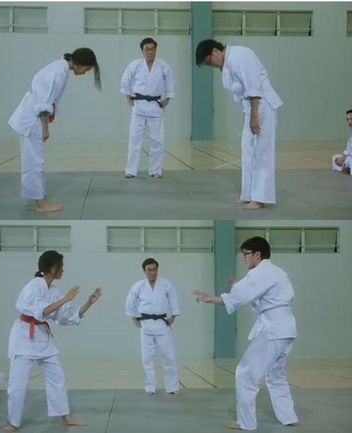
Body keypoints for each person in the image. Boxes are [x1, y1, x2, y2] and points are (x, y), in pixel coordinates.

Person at [193, 236, 299, 431]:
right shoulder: (277, 271)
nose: (243, 258)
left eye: (246, 254)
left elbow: (240, 296)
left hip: (273, 328)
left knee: (245, 373)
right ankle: (288, 417)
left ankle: (246, 422)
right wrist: (236, 287)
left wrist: (210, 298)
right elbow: (256, 296)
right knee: (276, 375)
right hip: (287, 328)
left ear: (258, 255)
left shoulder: (262, 271)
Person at [3, 250, 102, 433]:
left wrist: (89, 303)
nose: (63, 270)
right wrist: (66, 298)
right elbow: (42, 311)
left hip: (41, 337)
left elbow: (67, 316)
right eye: (61, 266)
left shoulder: (54, 291)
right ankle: (12, 421)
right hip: (23, 338)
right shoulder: (33, 286)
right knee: (18, 384)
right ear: (53, 267)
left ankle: (64, 416)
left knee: (57, 377)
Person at [8, 48, 101, 212]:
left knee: (34, 161)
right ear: (80, 64)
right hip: (33, 120)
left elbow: (47, 98)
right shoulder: (59, 71)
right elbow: (44, 101)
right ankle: (40, 203)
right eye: (86, 69)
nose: (84, 73)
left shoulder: (59, 67)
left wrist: (49, 117)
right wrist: (45, 128)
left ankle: (39, 199)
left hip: (32, 116)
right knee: (34, 162)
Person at [195, 40, 283, 210]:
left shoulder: (239, 55)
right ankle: (248, 194)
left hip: (262, 105)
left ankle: (260, 197)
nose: (211, 66)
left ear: (215, 51)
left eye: (209, 61)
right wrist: (249, 114)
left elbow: (253, 87)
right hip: (250, 109)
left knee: (262, 152)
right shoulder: (227, 64)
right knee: (247, 151)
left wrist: (254, 116)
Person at [121, 38, 175, 179]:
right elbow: (125, 80)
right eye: (147, 49)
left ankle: (155, 170)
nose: (150, 52)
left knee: (157, 140)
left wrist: (168, 99)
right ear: (142, 51)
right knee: (134, 138)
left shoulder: (163, 65)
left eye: (152, 49)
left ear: (156, 50)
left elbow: (170, 82)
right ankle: (131, 170)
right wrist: (127, 96)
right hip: (139, 105)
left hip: (155, 106)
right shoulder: (135, 65)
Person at [125, 258, 180, 395]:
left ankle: (172, 387)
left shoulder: (166, 284)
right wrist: (134, 318)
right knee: (147, 359)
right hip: (146, 325)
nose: (152, 272)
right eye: (149, 270)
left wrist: (173, 316)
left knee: (169, 357)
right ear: (144, 271)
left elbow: (173, 300)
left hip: (162, 324)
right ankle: (150, 387)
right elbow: (130, 303)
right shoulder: (138, 286)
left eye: (154, 269)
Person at [332, 109, 352, 175]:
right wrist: (343, 156)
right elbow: (349, 149)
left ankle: (349, 169)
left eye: (351, 119)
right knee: (335, 158)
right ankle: (345, 169)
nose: (349, 122)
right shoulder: (351, 135)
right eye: (347, 120)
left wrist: (346, 156)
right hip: (350, 157)